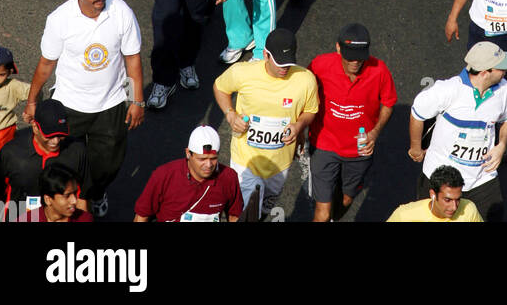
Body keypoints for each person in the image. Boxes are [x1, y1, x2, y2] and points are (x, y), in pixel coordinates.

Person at [24, 0, 144, 219]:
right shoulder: (60, 20)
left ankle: (94, 192)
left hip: (111, 103)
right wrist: (32, 100)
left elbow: (132, 57)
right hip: (69, 104)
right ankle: (69, 201)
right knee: (61, 160)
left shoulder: (121, 11)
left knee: (109, 163)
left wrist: (137, 100)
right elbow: (46, 64)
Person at [408, 42, 507, 222]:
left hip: (482, 179)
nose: (505, 71)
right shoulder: (448, 90)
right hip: (440, 177)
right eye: (501, 68)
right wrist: (415, 148)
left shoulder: (504, 90)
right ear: (484, 72)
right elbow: (417, 113)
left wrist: (502, 145)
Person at [213, 28, 318, 213]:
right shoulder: (243, 72)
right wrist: (230, 114)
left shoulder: (305, 80)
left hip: (280, 163)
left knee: (264, 208)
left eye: (288, 63)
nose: (284, 68)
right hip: (245, 160)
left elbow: (310, 110)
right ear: (265, 55)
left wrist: (299, 125)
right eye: (279, 62)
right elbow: (220, 87)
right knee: (246, 210)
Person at [309, 25, 397, 223]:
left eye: (360, 56)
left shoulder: (379, 70)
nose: (355, 61)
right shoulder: (319, 65)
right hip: (324, 145)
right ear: (338, 49)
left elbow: (388, 103)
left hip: (359, 150)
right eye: (350, 56)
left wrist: (374, 133)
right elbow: (302, 91)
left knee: (347, 199)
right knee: (322, 211)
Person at [134, 125, 243, 222]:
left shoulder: (229, 177)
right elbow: (142, 216)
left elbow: (234, 216)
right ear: (188, 153)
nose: (208, 165)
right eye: (202, 159)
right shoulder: (164, 176)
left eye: (213, 159)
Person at [0, 98, 89, 213]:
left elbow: (82, 196)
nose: (56, 141)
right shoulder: (11, 153)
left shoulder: (77, 151)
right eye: (49, 135)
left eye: (61, 135)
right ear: (35, 127)